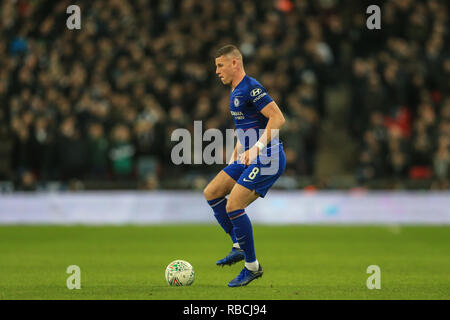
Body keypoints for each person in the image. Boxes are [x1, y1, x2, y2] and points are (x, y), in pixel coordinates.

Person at [203, 45, 286, 287]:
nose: (217, 70)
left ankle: (252, 266)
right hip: (250, 155)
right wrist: (235, 155)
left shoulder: (251, 87)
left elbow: (278, 118)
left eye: (220, 65)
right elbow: (247, 127)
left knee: (234, 204)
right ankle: (238, 244)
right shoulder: (235, 91)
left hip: (268, 157)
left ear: (235, 63)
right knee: (212, 192)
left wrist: (257, 148)